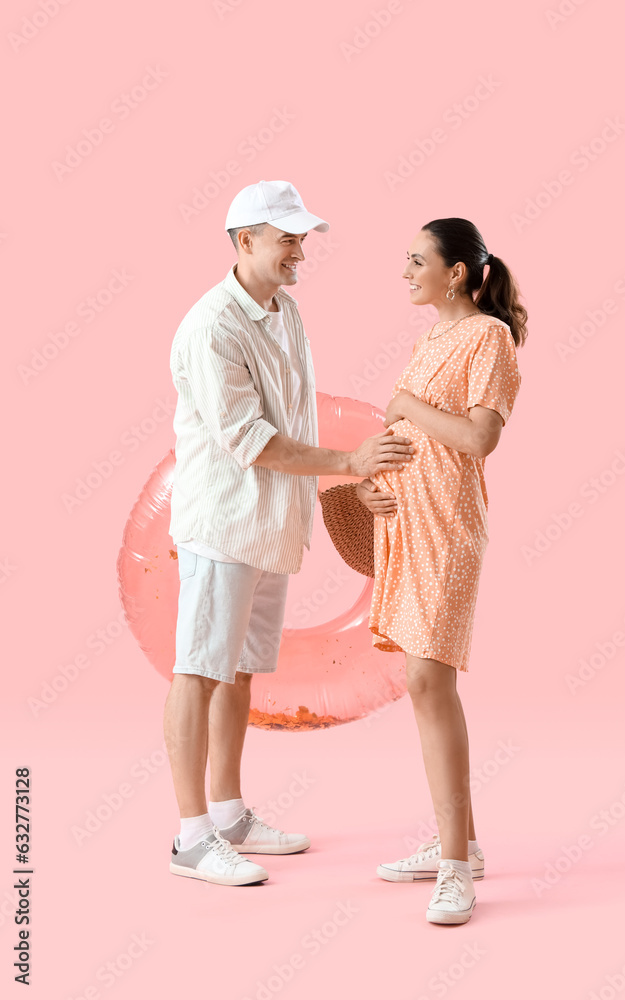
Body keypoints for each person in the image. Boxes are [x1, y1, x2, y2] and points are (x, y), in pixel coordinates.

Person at [164, 179, 416, 887]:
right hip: (223, 522)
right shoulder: (211, 326)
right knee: (198, 670)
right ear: (245, 241)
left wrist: (340, 481)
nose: (300, 250)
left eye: (302, 237)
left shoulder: (284, 311)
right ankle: (190, 837)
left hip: (271, 524)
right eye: (288, 238)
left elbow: (295, 421)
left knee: (239, 671)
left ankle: (228, 812)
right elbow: (250, 440)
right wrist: (346, 463)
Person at [355, 218, 526, 924]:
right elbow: (405, 431)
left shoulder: (488, 337)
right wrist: (369, 476)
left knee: (430, 678)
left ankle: (455, 866)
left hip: (447, 524)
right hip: (404, 520)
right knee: (421, 682)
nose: (405, 272)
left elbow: (480, 436)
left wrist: (406, 408)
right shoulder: (431, 338)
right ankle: (461, 844)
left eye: (416, 261)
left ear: (455, 272)